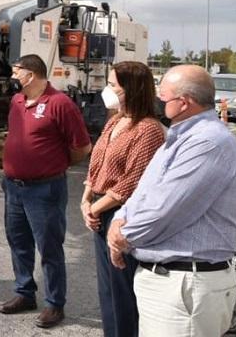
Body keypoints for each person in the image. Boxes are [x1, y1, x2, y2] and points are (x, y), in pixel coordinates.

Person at [107, 65, 236, 337]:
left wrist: (123, 236)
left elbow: (165, 210)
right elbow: (145, 191)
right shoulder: (181, 136)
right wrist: (119, 219)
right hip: (171, 283)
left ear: (184, 103)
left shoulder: (209, 142)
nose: (158, 99)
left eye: (163, 96)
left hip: (186, 285)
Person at [0, 54, 92, 329]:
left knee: (49, 247)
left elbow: (82, 147)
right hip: (14, 187)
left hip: (45, 188)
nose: (14, 77)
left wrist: (55, 165)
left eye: (17, 72)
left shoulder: (61, 104)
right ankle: (24, 292)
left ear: (32, 74)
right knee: (18, 243)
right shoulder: (16, 102)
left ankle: (54, 304)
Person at [81, 62, 165, 337]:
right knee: (107, 289)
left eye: (113, 85)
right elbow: (96, 163)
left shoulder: (148, 129)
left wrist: (95, 207)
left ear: (131, 88)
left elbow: (133, 180)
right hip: (99, 208)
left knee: (124, 289)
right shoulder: (115, 121)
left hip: (121, 214)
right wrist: (86, 199)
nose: (108, 89)